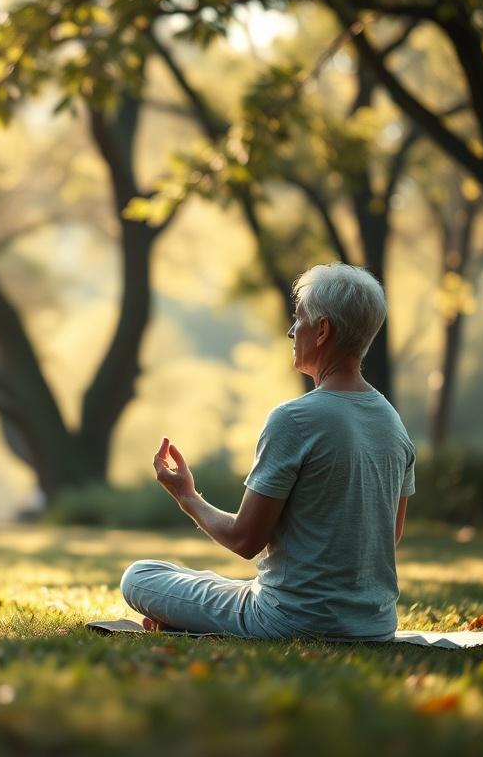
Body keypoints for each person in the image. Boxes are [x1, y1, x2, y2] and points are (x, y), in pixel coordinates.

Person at [120, 263, 415, 640]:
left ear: (322, 330)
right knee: (210, 584)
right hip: (375, 626)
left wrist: (187, 496)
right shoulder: (393, 423)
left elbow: (245, 540)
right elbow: (389, 537)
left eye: (299, 319)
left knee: (140, 576)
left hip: (287, 621)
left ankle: (190, 614)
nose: (292, 331)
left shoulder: (294, 419)